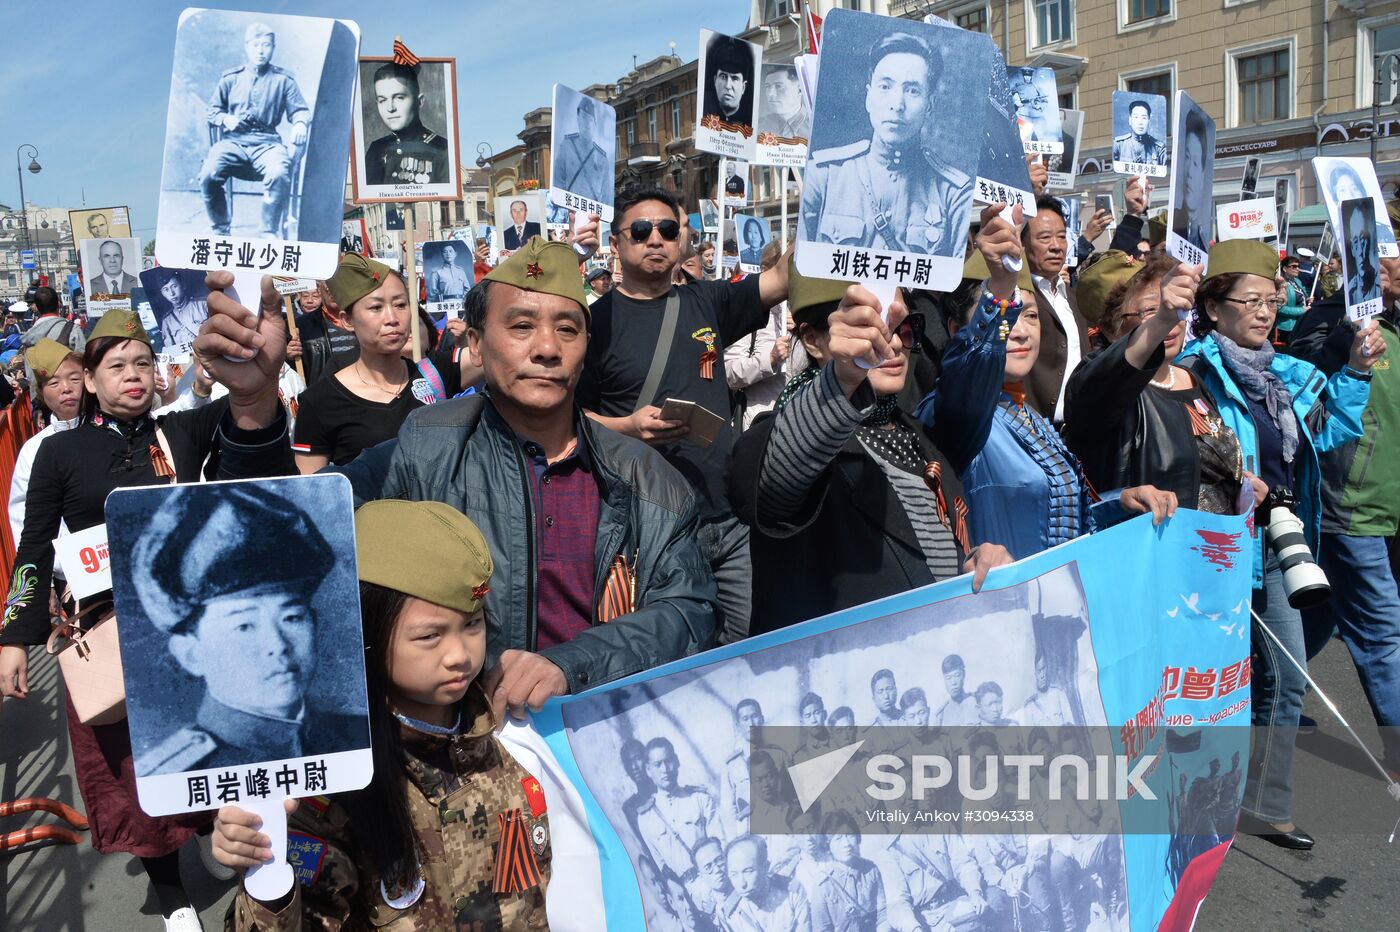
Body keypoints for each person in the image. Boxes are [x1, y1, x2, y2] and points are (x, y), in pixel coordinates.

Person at [211, 235, 717, 717]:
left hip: (600, 737)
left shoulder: (649, 479)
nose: (546, 348)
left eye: (567, 328)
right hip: (460, 754)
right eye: (521, 326)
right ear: (475, 342)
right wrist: (252, 408)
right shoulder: (425, 449)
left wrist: (571, 666)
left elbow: (688, 611)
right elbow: (283, 533)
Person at [0, 301, 294, 932]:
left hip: (191, 634)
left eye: (141, 361)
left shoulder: (182, 431)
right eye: (115, 365)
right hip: (111, 640)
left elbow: (254, 421)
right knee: (138, 779)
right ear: (91, 378)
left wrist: (257, 377)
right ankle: (171, 894)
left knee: (215, 752)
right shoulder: (57, 453)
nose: (132, 374)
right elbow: (33, 548)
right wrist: (15, 637)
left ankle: (233, 850)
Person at [212, 499, 554, 929]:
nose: (460, 655)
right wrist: (268, 874)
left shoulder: (508, 736)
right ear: (365, 632)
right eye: (429, 635)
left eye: (472, 624)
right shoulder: (331, 785)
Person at [1179, 238, 1383, 849]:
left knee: (1286, 674)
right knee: (1210, 679)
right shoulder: (1192, 372)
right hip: (1215, 544)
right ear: (1214, 308)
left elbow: (1327, 435)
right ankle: (1192, 796)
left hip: (1279, 542)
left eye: (1273, 300)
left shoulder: (1286, 373)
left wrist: (1356, 373)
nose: (1266, 312)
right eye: (1250, 301)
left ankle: (1265, 801)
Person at [730, 258, 1011, 635]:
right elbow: (776, 484)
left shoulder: (919, 433)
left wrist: (981, 565)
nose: (892, 342)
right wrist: (845, 375)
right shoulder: (784, 437)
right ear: (813, 341)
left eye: (904, 328)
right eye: (870, 327)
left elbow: (969, 398)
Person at [581, 185, 789, 645]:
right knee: (676, 657)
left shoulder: (709, 299)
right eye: (640, 230)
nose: (655, 239)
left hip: (730, 517)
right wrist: (628, 429)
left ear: (682, 240)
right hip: (654, 529)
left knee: (754, 649)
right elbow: (571, 419)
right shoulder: (593, 323)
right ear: (616, 244)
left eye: (667, 229)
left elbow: (782, 279)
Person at [920, 206, 1174, 560]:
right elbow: (970, 369)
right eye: (1007, 314)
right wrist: (1000, 285)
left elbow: (1063, 527)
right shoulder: (954, 413)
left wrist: (1122, 503)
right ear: (954, 330)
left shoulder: (1032, 416)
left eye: (1031, 316)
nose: (1021, 331)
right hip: (999, 602)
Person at [126, 484, 366, 776]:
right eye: (244, 625)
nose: (277, 644)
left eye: (291, 617)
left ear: (313, 623)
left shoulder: (358, 738)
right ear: (190, 653)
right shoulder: (178, 775)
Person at [1288, 255, 1400, 778]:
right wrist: (1348, 344)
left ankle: (1267, 700)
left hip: (1385, 498)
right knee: (1380, 627)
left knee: (1317, 614)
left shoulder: (1394, 320)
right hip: (1349, 503)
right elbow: (1313, 396)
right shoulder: (1333, 318)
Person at [1065, 250, 1265, 515]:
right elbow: (1094, 391)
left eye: (1176, 309)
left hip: (1212, 548)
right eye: (1151, 310)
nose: (1172, 322)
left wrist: (1245, 492)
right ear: (1113, 327)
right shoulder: (1106, 387)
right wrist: (1161, 318)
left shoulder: (1190, 378)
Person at [291, 254, 477, 470]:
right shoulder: (319, 402)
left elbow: (494, 354)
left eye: (400, 304)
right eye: (376, 308)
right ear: (347, 320)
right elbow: (314, 491)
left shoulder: (436, 371)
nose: (392, 318)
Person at [802, 32, 972, 257]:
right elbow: (803, 274)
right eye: (885, 86)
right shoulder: (824, 175)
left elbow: (958, 285)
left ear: (929, 105)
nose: (897, 104)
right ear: (868, 97)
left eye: (912, 90)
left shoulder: (953, 193)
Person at [200, 22, 310, 237]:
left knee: (279, 171)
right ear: (246, 47)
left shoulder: (283, 80)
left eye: (266, 45)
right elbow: (211, 111)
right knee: (208, 174)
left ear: (273, 48)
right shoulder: (231, 78)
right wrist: (225, 118)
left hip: (267, 144)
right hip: (233, 143)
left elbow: (301, 110)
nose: (260, 50)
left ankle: (268, 231)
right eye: (256, 45)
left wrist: (299, 123)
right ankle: (221, 228)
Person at [1019, 196, 1090, 423]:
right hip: (1033, 429)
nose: (1056, 246)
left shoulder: (1074, 297)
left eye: (1061, 237)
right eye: (1044, 237)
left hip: (1079, 428)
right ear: (1022, 243)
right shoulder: (1015, 297)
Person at [9, 340, 82, 546]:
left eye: (75, 378)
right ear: (41, 392)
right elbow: (22, 517)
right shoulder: (32, 449)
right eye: (54, 382)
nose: (66, 388)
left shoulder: (110, 431)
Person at [635, 736, 721, 881]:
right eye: (658, 764)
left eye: (668, 761)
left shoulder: (699, 799)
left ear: (677, 761)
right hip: (686, 892)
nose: (665, 769)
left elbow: (719, 841)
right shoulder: (645, 818)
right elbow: (660, 864)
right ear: (648, 770)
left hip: (714, 878)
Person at [725, 241, 790, 429]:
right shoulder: (747, 313)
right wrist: (770, 358)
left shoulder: (805, 313)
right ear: (765, 270)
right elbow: (729, 373)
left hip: (800, 426)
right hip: (758, 424)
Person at [364, 61, 449, 186]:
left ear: (419, 102)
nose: (390, 108)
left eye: (399, 97)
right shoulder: (376, 149)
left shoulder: (442, 149)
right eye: (382, 100)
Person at [720, 835, 811, 932]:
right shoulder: (730, 913)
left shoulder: (792, 892)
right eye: (734, 874)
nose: (742, 884)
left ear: (765, 867)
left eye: (748, 871)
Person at [287, 283, 359, 386]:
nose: (333, 287)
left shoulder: (366, 321)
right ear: (320, 288)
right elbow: (292, 376)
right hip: (323, 397)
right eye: (327, 282)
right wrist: (288, 357)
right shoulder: (300, 326)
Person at [20, 285, 86, 390]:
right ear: (58, 304)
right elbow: (84, 362)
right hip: (70, 393)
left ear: (37, 307)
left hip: (41, 398)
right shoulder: (72, 330)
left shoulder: (28, 337)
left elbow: (31, 376)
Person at [553, 95, 611, 204]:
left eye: (590, 119)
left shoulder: (601, 158)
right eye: (583, 118)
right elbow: (557, 182)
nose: (587, 124)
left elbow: (606, 195)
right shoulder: (566, 146)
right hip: (570, 211)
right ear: (578, 120)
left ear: (594, 124)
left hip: (593, 215)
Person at [1171, 108, 1211, 254]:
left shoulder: (1204, 238)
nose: (1189, 173)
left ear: (1203, 172)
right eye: (1186, 158)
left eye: (1195, 163)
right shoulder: (1171, 229)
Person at [151, 269, 208, 355]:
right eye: (166, 289)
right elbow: (171, 353)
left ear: (183, 285)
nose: (171, 293)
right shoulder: (167, 321)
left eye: (174, 286)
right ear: (163, 294)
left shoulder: (203, 305)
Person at [703, 32, 755, 127]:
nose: (728, 86)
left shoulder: (751, 121)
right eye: (723, 76)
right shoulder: (705, 115)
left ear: (743, 87)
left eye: (735, 78)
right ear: (715, 81)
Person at [756, 63, 810, 141]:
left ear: (800, 90)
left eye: (778, 86)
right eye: (767, 86)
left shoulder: (816, 127)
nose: (770, 93)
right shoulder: (759, 126)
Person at [1345, 201, 1381, 306]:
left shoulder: (1381, 288)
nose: (1360, 250)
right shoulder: (1348, 293)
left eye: (1363, 239)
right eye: (1356, 242)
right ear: (1352, 248)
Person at [1112, 98, 1167, 166]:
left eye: (1144, 118)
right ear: (1130, 120)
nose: (1140, 122)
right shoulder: (1118, 145)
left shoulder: (1159, 148)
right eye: (1136, 117)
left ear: (1149, 120)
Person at [1276, 254, 1309, 343]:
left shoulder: (1297, 281)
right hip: (1288, 327)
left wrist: (1308, 299)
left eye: (1298, 266)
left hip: (1301, 323)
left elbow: (1301, 296)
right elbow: (1279, 308)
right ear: (1285, 269)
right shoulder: (1280, 284)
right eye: (1294, 266)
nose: (1297, 268)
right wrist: (1301, 310)